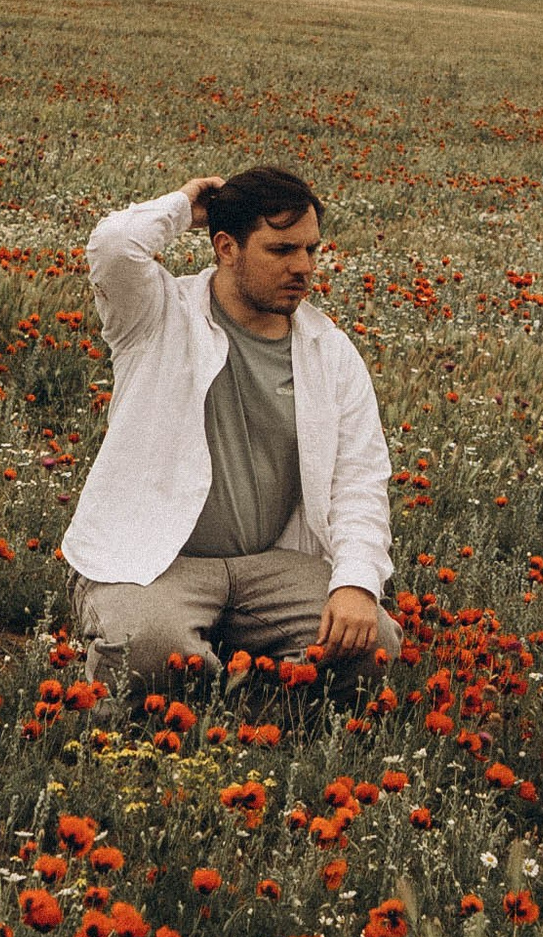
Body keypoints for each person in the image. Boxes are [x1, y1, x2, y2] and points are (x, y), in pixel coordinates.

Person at [59, 166, 399, 686]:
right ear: (225, 248)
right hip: (155, 561)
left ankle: (248, 704)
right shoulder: (157, 314)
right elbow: (113, 246)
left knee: (371, 643)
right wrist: (184, 205)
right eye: (281, 251)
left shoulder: (328, 351)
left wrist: (354, 584)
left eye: (310, 250)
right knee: (152, 652)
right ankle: (206, 676)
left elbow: (359, 480)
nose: (303, 267)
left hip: (270, 565)